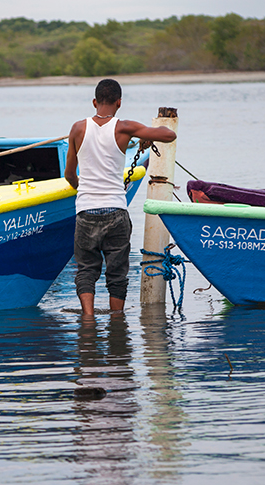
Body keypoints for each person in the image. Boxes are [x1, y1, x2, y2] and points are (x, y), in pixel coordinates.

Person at [64, 78, 177, 316]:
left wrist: (81, 189)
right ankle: (117, 320)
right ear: (119, 102)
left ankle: (88, 317)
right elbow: (168, 134)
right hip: (116, 211)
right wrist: (147, 135)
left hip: (85, 210)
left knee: (86, 270)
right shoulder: (124, 127)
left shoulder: (77, 128)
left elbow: (69, 175)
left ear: (94, 102)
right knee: (117, 274)